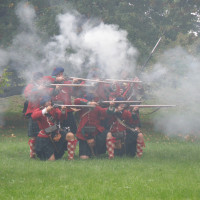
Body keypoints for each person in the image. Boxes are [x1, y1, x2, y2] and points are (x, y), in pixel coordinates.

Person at [31, 95, 77, 161]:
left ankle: (71, 158)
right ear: (43, 102)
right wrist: (45, 110)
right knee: (51, 160)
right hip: (45, 136)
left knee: (70, 135)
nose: (49, 102)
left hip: (55, 131)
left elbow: (62, 118)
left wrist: (63, 110)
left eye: (50, 101)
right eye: (47, 101)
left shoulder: (55, 109)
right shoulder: (39, 110)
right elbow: (33, 116)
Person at [23, 72, 45, 158]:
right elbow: (27, 94)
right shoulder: (31, 86)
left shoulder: (44, 85)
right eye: (40, 79)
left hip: (43, 112)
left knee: (43, 133)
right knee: (33, 135)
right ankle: (32, 153)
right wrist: (38, 89)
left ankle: (42, 151)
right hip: (34, 112)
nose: (41, 80)